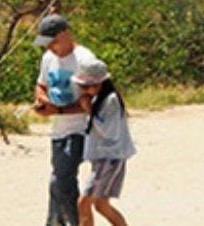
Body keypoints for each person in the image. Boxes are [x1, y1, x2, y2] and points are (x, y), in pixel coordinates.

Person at [33, 14, 97, 226]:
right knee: (58, 180)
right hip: (58, 131)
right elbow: (41, 85)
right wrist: (41, 100)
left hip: (81, 130)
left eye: (53, 42)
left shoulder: (85, 60)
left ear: (65, 35)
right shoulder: (48, 58)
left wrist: (58, 111)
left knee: (62, 180)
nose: (49, 48)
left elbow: (93, 102)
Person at [73, 59, 134, 226]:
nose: (84, 90)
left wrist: (89, 110)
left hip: (110, 158)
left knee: (84, 202)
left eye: (87, 86)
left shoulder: (111, 100)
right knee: (101, 205)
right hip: (103, 158)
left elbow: (108, 132)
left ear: (100, 83)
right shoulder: (98, 98)